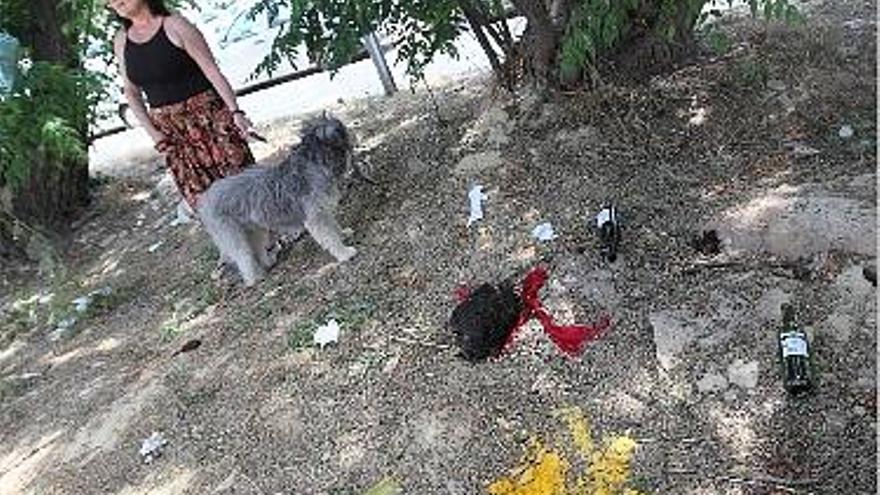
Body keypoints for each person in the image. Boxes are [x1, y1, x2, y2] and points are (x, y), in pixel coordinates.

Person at [108, 0, 256, 210]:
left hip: (210, 121)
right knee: (207, 204)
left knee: (244, 188)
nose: (113, 2)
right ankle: (235, 243)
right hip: (172, 134)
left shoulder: (176, 26)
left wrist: (235, 112)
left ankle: (271, 240)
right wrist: (154, 134)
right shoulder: (121, 40)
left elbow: (212, 71)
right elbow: (131, 93)